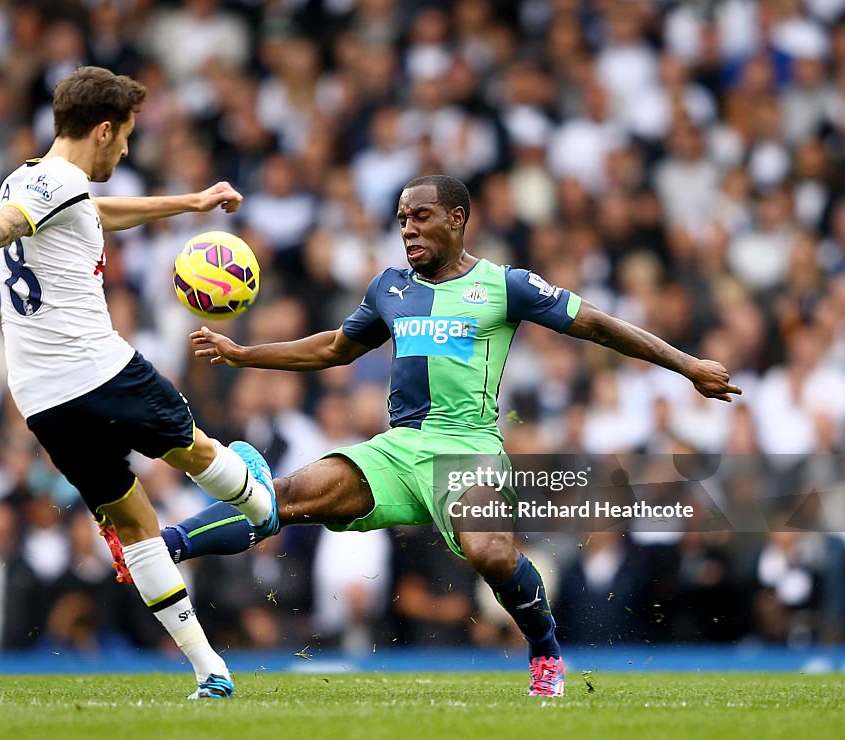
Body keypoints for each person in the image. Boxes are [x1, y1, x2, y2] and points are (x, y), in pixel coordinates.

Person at [124, 174, 743, 697]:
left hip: (467, 447)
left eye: (421, 217)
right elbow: (335, 348)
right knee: (279, 497)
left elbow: (601, 328)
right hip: (396, 449)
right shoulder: (390, 288)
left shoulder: (506, 285)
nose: (408, 229)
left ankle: (546, 653)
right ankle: (162, 547)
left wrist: (690, 367)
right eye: (401, 219)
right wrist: (244, 354)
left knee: (490, 553)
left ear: (457, 218)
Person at [0, 65, 280, 700]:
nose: (126, 148)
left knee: (132, 522)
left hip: (42, 399)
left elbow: (95, 213)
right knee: (203, 453)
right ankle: (263, 511)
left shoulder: (33, 179)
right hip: (99, 371)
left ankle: (211, 672)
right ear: (103, 130)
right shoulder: (54, 182)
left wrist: (189, 202)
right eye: (124, 136)